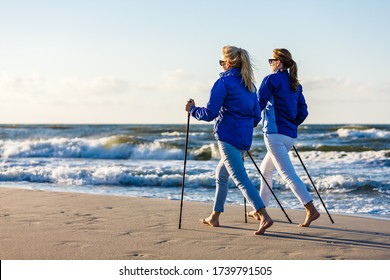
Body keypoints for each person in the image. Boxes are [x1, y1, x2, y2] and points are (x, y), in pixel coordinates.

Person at [185, 45, 273, 235]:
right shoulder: (250, 85)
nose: (221, 65)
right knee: (221, 174)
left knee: (240, 178)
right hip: (243, 138)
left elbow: (210, 113)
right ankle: (215, 216)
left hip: (227, 137)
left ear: (228, 62)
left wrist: (192, 110)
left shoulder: (223, 82)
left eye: (221, 62)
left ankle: (263, 215)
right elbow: (256, 116)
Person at [248, 48, 320, 227]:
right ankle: (260, 208)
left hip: (274, 134)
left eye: (271, 61)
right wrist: (291, 124)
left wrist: (248, 122)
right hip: (289, 136)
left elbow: (258, 104)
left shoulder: (271, 79)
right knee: (266, 171)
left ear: (278, 62)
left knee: (287, 174)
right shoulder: (295, 83)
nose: (270, 64)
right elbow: (303, 111)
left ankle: (310, 208)